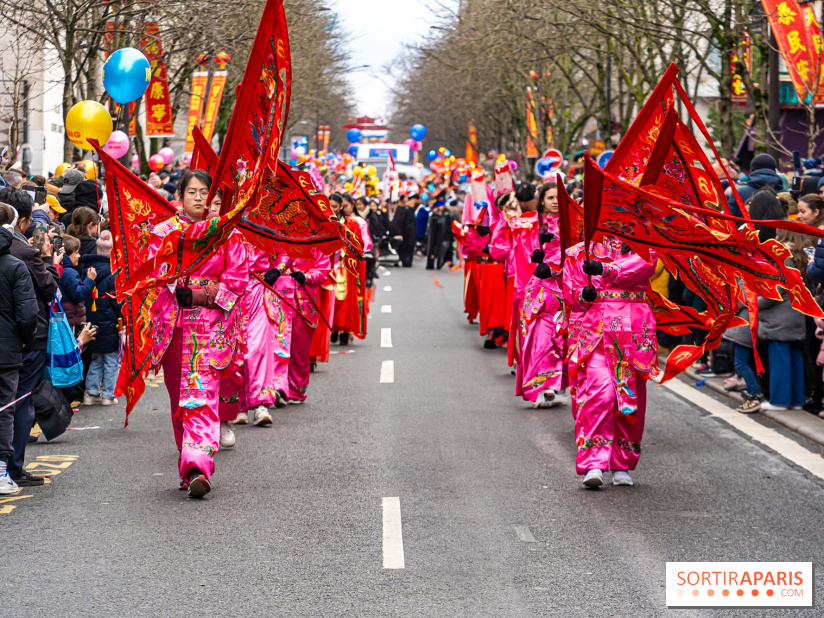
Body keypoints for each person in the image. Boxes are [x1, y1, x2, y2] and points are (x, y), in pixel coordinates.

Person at [148, 170, 248, 498]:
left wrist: (198, 293)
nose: (199, 197)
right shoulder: (164, 232)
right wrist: (169, 282)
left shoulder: (227, 235)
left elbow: (237, 283)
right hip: (173, 328)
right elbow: (150, 274)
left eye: (205, 192)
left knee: (200, 399)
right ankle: (186, 460)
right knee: (180, 399)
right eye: (192, 191)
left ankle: (197, 466)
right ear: (180, 195)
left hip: (209, 332)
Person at [564, 239, 658, 488]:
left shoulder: (642, 242)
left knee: (629, 397)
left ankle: (622, 463)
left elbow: (642, 267)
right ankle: (594, 462)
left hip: (634, 328)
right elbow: (571, 296)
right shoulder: (577, 252)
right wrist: (582, 296)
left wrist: (603, 270)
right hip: (596, 329)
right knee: (601, 393)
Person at [1, 186, 58, 488]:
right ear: (22, 221)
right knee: (20, 400)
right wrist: (48, 260)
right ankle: (12, 466)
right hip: (27, 337)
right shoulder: (24, 252)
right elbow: (47, 288)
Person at [0, 221, 38, 495]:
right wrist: (26, 338)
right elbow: (27, 313)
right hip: (7, 348)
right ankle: (1, 471)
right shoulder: (15, 266)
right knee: (4, 408)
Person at [82, 231, 121, 406]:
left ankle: (90, 392)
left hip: (92, 322)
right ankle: (108, 394)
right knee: (112, 360)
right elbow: (117, 302)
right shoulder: (114, 274)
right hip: (111, 323)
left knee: (96, 358)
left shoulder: (87, 270)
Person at [58, 235, 97, 330]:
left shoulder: (61, 268)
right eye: (76, 253)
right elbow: (77, 294)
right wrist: (90, 280)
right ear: (66, 255)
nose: (79, 256)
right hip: (72, 322)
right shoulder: (69, 272)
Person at [727, 154, 783, 218]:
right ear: (775, 170)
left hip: (745, 227)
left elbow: (729, 220)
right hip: (778, 227)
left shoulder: (739, 192)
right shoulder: (785, 194)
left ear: (752, 170)